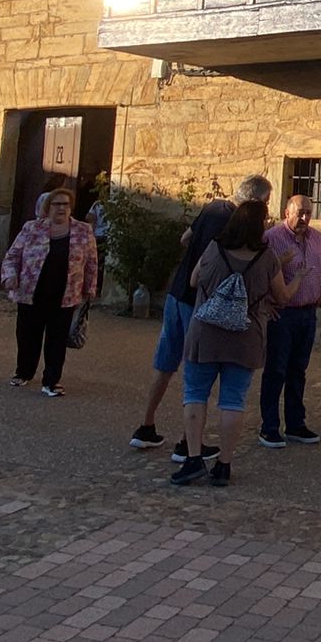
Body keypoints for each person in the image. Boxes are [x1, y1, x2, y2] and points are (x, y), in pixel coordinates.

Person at [130, 173, 272, 456]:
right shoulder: (233, 223)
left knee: (165, 363)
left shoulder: (211, 208)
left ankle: (146, 426)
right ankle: (187, 443)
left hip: (176, 292)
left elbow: (185, 239)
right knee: (197, 370)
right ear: (255, 202)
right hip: (200, 301)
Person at [171, 199, 292, 487]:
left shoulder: (215, 248)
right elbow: (282, 297)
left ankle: (193, 458)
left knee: (196, 394)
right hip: (245, 336)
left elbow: (193, 280)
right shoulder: (267, 258)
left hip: (207, 333)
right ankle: (224, 464)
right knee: (232, 400)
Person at [0, 189, 99, 396]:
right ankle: (24, 372)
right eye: (56, 204)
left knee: (57, 340)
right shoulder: (31, 228)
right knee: (28, 336)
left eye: (65, 204)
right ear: (47, 208)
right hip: (31, 292)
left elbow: (91, 262)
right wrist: (9, 275)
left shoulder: (83, 231)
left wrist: (90, 288)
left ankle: (52, 381)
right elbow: (12, 256)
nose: (61, 208)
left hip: (65, 294)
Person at [256, 194, 321, 448]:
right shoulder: (271, 238)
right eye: (300, 212)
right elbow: (258, 272)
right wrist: (266, 302)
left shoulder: (316, 238)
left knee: (298, 370)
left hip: (307, 314)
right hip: (283, 314)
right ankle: (269, 427)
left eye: (309, 213)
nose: (304, 218)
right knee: (276, 370)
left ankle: (295, 424)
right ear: (286, 212)